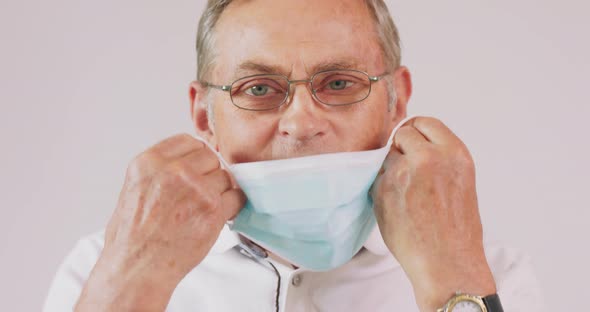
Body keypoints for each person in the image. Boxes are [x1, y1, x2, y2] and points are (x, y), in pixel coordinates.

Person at [43, 0, 542, 311]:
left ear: (397, 102)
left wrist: (453, 281)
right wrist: (131, 285)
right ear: (204, 117)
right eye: (258, 87)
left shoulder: (490, 273)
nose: (302, 123)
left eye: (340, 83)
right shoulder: (101, 268)